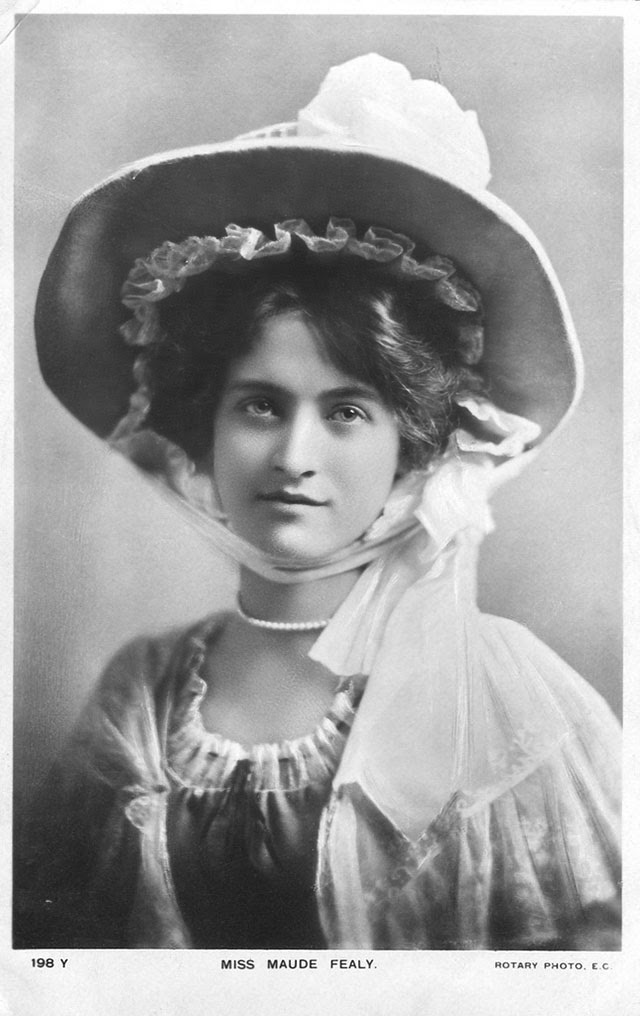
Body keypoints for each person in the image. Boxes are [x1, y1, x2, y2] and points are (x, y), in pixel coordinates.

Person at [15, 54, 621, 951]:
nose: (294, 458)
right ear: (204, 425)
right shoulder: (143, 688)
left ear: (412, 443)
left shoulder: (506, 694)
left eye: (345, 413)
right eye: (260, 406)